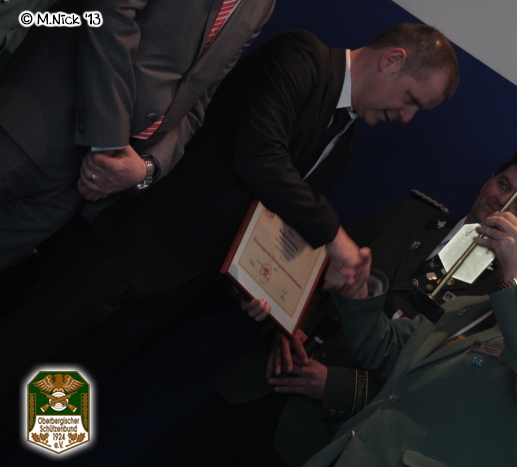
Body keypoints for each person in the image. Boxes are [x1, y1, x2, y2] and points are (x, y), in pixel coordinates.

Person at [0, 24, 459, 398]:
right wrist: (335, 237)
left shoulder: (346, 145)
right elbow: (260, 157)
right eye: (411, 100)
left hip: (176, 292)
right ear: (392, 60)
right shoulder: (301, 56)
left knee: (57, 392)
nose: (406, 118)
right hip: (125, 248)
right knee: (19, 350)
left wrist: (260, 291)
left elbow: (270, 223)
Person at [159, 150, 517, 466]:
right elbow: (316, 272)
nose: (501, 200)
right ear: (487, 180)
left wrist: (337, 387)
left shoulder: (496, 299)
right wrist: (283, 326)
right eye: (502, 183)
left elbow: (437, 384)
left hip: (320, 431)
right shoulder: (412, 215)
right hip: (259, 380)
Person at [303, 190, 517, 467]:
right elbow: (385, 348)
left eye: (516, 237)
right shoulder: (473, 307)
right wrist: (358, 291)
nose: (499, 242)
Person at [0, 0, 276, 270]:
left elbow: (197, 100)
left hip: (87, 185)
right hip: (36, 125)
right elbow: (108, 13)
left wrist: (147, 167)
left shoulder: (263, 6)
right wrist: (111, 139)